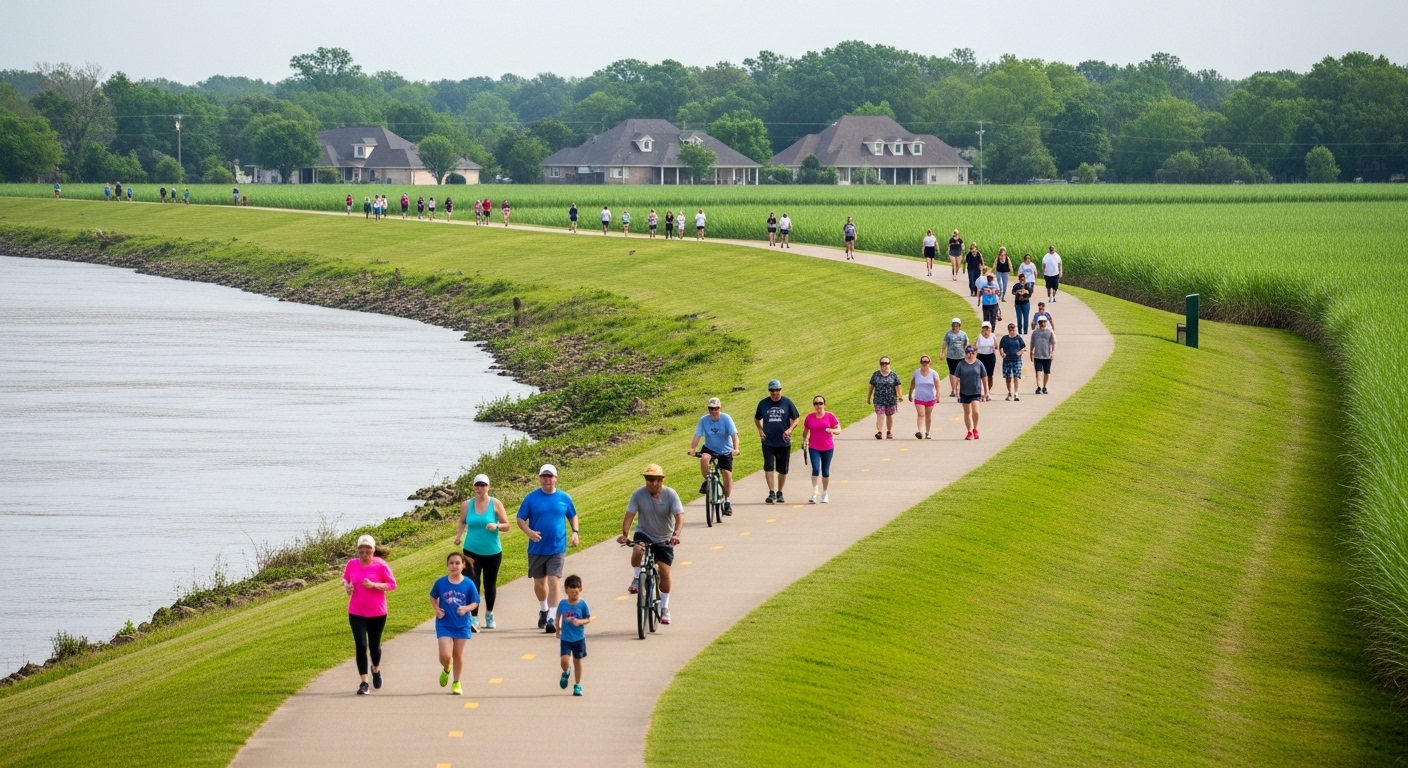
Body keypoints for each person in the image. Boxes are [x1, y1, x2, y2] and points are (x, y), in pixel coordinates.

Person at [516, 464, 579, 634]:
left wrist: (575, 532)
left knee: (553, 581)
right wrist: (529, 532)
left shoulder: (564, 498)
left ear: (556, 478)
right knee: (539, 583)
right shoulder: (531, 498)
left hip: (557, 547)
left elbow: (572, 515)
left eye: (550, 477)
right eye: (544, 476)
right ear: (539, 479)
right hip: (536, 548)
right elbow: (520, 519)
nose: (547, 480)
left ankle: (552, 616)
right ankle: (543, 610)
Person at [618, 464, 683, 623]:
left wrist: (675, 535)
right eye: (648, 480)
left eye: (654, 480)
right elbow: (629, 516)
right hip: (644, 533)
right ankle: (636, 578)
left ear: (661, 480)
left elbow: (679, 517)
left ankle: (664, 607)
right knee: (638, 549)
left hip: (664, 537)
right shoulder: (638, 494)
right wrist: (625, 535)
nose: (651, 483)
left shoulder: (670, 495)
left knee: (664, 571)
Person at [343, 534, 397, 695]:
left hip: (377, 612)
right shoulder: (352, 564)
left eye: (368, 551)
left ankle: (376, 669)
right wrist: (347, 586)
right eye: (361, 551)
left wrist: (374, 585)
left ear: (373, 551)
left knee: (374, 646)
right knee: (360, 645)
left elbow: (392, 585)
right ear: (358, 551)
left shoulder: (380, 565)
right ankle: (364, 683)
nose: (364, 555)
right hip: (356, 611)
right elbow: (345, 579)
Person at [456, 474, 508, 631]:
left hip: (492, 551)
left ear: (488, 487)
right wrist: (458, 536)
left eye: (483, 485)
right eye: (477, 485)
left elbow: (507, 525)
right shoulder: (467, 505)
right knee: (473, 583)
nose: (480, 488)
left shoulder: (495, 504)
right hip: (471, 550)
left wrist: (496, 526)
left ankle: (489, 614)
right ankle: (473, 619)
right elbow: (462, 521)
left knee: (489, 584)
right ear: (474, 487)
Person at [430, 552, 479, 696]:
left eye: (457, 563)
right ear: (447, 565)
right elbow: (432, 597)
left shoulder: (468, 584)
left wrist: (466, 608)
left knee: (457, 654)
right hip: (444, 623)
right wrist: (437, 609)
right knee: (445, 655)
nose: (454, 566)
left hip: (462, 624)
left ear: (463, 565)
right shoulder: (440, 582)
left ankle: (457, 682)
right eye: (451, 563)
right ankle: (446, 668)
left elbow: (475, 602)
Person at [690, 396, 739, 513]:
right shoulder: (704, 420)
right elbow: (697, 436)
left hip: (725, 450)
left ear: (720, 408)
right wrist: (692, 448)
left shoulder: (726, 419)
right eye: (711, 409)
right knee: (704, 457)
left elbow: (734, 435)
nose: (713, 411)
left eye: (716, 408)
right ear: (708, 409)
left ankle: (727, 500)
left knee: (727, 474)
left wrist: (736, 449)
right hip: (710, 448)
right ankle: (707, 480)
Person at [754, 379, 799, 504]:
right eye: (772, 391)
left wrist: (790, 430)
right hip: (768, 441)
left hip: (783, 441)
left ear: (780, 390)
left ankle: (780, 492)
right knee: (768, 466)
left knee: (783, 469)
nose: (775, 393)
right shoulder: (763, 403)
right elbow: (757, 418)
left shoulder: (787, 403)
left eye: (777, 390)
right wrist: (760, 430)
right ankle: (771, 492)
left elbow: (796, 419)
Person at [554, 574, 591, 697]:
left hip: (579, 638)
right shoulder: (563, 604)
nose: (574, 595)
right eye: (571, 592)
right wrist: (557, 629)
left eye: (576, 592)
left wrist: (580, 621)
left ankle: (577, 685)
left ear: (580, 590)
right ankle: (566, 671)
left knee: (577, 661)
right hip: (566, 638)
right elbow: (558, 615)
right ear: (566, 591)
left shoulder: (583, 605)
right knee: (564, 660)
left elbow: (588, 619)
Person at [801, 395, 841, 503]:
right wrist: (804, 441)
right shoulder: (809, 417)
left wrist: (832, 431)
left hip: (828, 447)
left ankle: (825, 493)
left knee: (825, 471)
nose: (818, 405)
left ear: (824, 404)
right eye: (816, 403)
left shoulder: (830, 416)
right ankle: (815, 492)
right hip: (814, 446)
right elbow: (805, 432)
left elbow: (838, 429)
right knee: (815, 469)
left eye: (820, 403)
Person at [956, 346, 988, 440]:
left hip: (976, 390)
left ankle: (975, 428)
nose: (970, 355)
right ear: (965, 353)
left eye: (971, 353)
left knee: (976, 411)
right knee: (967, 412)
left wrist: (986, 391)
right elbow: (957, 378)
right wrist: (956, 390)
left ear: (975, 353)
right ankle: (969, 431)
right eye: (968, 353)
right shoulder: (961, 364)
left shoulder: (979, 363)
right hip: (964, 391)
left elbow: (984, 377)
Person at [867, 356, 901, 440]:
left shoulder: (893, 374)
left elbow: (898, 386)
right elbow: (871, 386)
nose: (884, 365)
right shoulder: (876, 374)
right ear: (880, 364)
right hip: (879, 399)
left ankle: (889, 431)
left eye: (886, 363)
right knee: (880, 415)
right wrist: (868, 398)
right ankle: (879, 432)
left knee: (889, 415)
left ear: (889, 364)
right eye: (882, 363)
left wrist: (900, 396)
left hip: (891, 399)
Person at [909, 355, 940, 439]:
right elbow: (912, 384)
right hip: (919, 397)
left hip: (930, 397)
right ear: (920, 362)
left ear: (929, 362)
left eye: (926, 361)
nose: (924, 363)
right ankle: (920, 432)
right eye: (923, 361)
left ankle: (927, 432)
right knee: (921, 414)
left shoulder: (933, 373)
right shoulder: (916, 373)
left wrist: (938, 394)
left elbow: (937, 383)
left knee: (928, 415)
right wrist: (910, 393)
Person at [999, 323, 1026, 401]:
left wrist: (1021, 352)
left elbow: (1023, 347)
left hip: (1016, 359)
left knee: (1016, 376)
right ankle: (1009, 392)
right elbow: (1001, 348)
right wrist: (1002, 353)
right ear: (1009, 331)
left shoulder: (1018, 338)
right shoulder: (1004, 338)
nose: (1014, 332)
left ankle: (1016, 393)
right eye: (1013, 330)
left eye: (1015, 330)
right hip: (1007, 359)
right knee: (1008, 377)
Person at [943, 318, 969, 398]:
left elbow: (966, 344)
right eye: (954, 324)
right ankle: (953, 389)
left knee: (960, 373)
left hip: (961, 356)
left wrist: (968, 353)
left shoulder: (963, 334)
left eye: (957, 324)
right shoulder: (948, 334)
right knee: (952, 373)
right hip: (951, 356)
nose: (955, 326)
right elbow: (945, 343)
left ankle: (958, 387)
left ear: (959, 325)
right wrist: (942, 352)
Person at [1031, 316, 1056, 394]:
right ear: (1038, 323)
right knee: (1038, 371)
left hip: (1047, 355)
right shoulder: (1035, 333)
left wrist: (1052, 353)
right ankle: (1039, 386)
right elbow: (1032, 343)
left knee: (1046, 372)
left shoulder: (1049, 332)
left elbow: (1053, 343)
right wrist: (1031, 352)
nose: (1042, 323)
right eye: (1041, 322)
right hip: (1037, 355)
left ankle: (1044, 386)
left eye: (1044, 322)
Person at [975, 321, 998, 400]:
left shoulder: (993, 336)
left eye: (987, 328)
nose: (986, 330)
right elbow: (974, 346)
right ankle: (981, 392)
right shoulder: (979, 337)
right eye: (984, 328)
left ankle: (987, 393)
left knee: (989, 375)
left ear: (990, 329)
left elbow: (996, 346)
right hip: (981, 357)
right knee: (980, 376)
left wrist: (995, 348)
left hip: (990, 357)